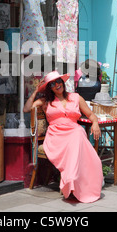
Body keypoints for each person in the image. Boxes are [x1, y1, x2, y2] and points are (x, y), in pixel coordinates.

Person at [24, 71, 103, 203]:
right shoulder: (45, 101)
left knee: (78, 134)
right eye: (53, 84)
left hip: (74, 132)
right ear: (50, 88)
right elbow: (26, 109)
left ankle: (74, 181)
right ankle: (70, 180)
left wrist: (95, 123)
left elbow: (91, 115)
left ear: (63, 82)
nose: (57, 85)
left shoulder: (76, 97)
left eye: (58, 81)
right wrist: (36, 91)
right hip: (56, 135)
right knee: (77, 138)